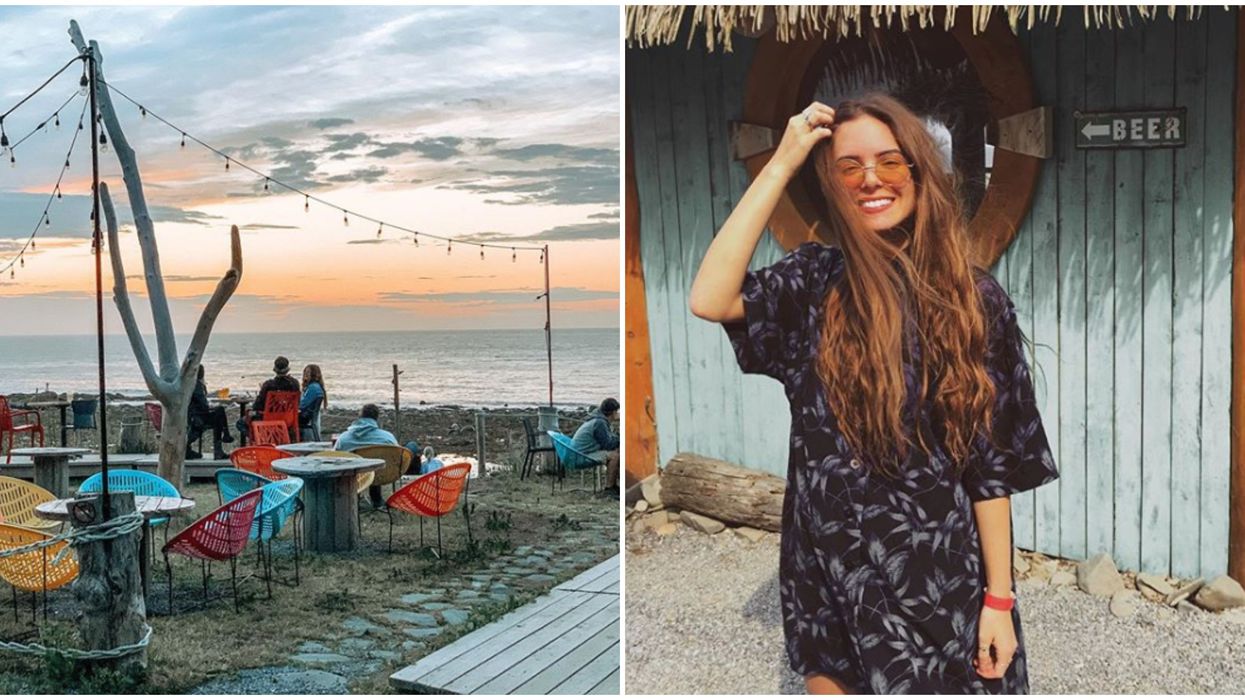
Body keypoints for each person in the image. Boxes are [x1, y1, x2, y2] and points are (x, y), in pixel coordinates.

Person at [688, 94, 1059, 694]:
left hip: (935, 579)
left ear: (919, 173)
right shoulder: (811, 285)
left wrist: (998, 597)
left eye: (890, 163)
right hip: (828, 572)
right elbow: (710, 298)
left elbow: (992, 468)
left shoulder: (973, 300)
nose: (870, 181)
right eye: (849, 167)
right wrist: (781, 162)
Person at [334, 403, 399, 506]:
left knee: (362, 466)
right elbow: (397, 456)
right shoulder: (388, 438)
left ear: (360, 417)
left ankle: (355, 499)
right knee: (374, 464)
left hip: (354, 475)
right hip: (382, 474)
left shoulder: (344, 439)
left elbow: (335, 457)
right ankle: (376, 499)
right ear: (376, 418)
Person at [239, 355, 302, 440]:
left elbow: (257, 405)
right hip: (288, 418)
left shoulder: (269, 385)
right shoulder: (294, 384)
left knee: (240, 423)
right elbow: (297, 402)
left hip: (269, 419)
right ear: (287, 369)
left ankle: (258, 438)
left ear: (275, 369)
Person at [571, 398, 620, 498]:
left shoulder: (596, 419)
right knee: (614, 456)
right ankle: (609, 488)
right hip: (581, 455)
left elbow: (608, 439)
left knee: (615, 452)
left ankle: (614, 484)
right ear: (614, 412)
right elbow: (607, 444)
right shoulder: (600, 423)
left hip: (579, 452)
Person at [186, 364, 234, 460]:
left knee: (219, 413)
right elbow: (203, 405)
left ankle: (225, 437)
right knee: (219, 412)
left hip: (192, 416)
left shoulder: (189, 384)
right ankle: (220, 447)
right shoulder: (197, 385)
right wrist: (211, 407)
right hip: (198, 418)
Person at [299, 364, 327, 441]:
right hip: (309, 416)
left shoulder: (313, 388)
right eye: (305, 372)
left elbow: (302, 405)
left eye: (308, 372)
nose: (305, 374)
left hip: (305, 417)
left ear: (314, 374)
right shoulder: (317, 387)